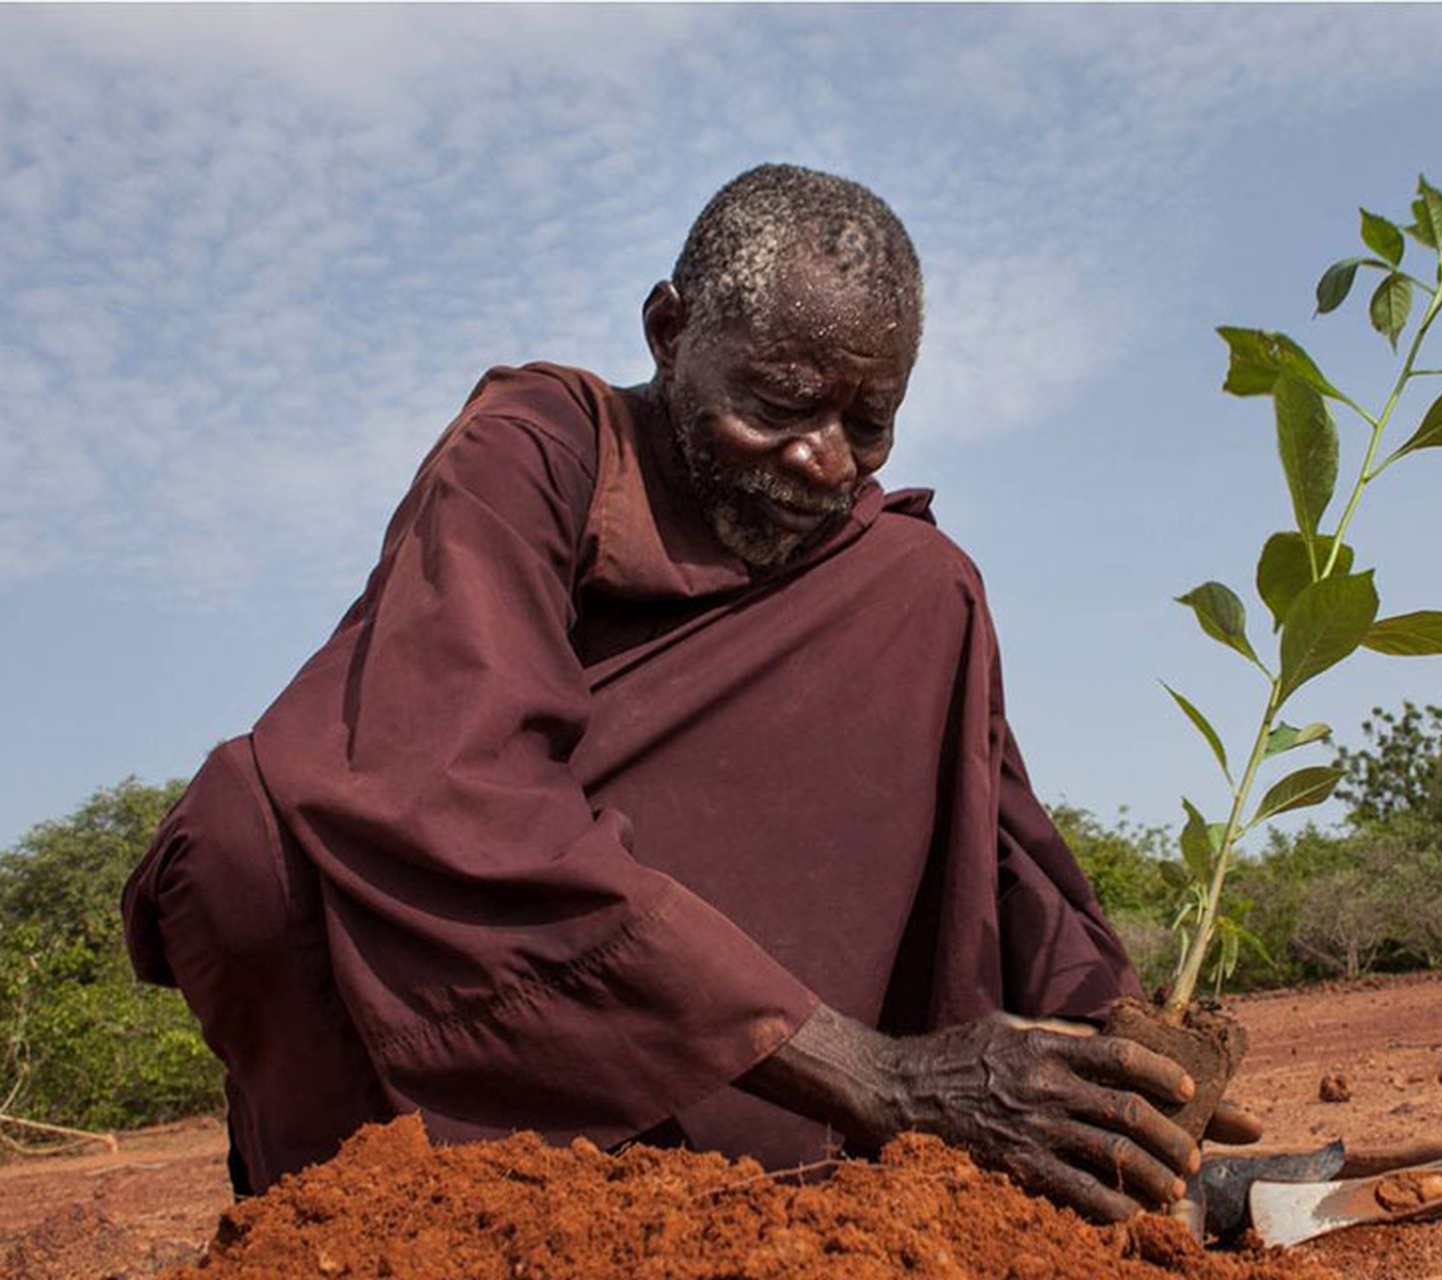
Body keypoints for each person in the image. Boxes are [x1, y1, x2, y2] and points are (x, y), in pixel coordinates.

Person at [123, 163, 1258, 1225]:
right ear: (669, 332)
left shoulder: (888, 575)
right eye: (779, 402)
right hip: (464, 1036)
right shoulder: (533, 453)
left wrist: (1123, 1060)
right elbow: (452, 787)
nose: (823, 461)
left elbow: (998, 828)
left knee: (923, 585)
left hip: (724, 1061)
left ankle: (894, 1175)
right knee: (246, 831)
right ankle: (377, 1204)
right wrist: (877, 1075)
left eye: (867, 423)